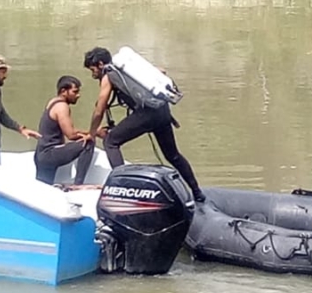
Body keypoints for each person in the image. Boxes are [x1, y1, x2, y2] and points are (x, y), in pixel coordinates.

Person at [83, 46, 205, 202]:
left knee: (110, 141)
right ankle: (197, 192)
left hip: (147, 114)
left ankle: (123, 188)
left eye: (92, 70)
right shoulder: (130, 69)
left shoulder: (109, 75)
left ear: (100, 64)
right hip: (162, 111)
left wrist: (91, 133)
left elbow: (99, 109)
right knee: (172, 155)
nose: (93, 75)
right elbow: (161, 72)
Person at [34, 75, 97, 186]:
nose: (78, 95)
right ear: (64, 91)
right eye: (75, 92)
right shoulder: (62, 106)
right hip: (50, 154)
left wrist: (89, 132)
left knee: (43, 188)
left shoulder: (53, 102)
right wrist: (92, 134)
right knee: (88, 143)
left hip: (40, 155)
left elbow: (69, 129)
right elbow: (71, 135)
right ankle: (78, 185)